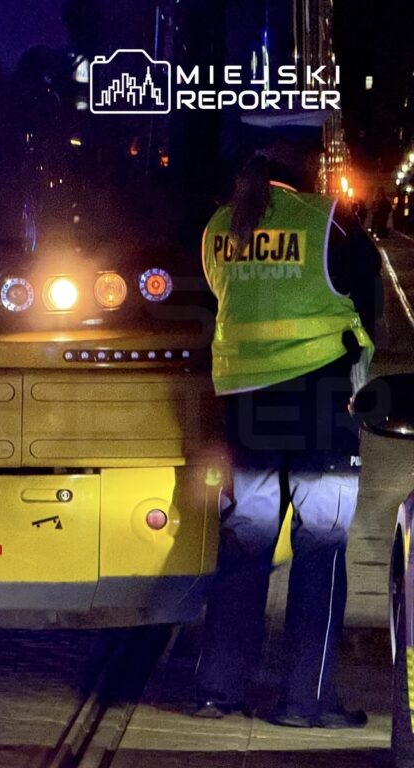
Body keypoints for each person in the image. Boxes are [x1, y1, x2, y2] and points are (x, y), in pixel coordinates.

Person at [194, 116, 382, 728]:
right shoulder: (327, 222)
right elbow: (367, 304)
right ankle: (305, 701)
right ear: (307, 160)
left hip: (246, 411)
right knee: (321, 549)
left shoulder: (219, 226)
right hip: (319, 407)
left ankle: (218, 690)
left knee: (244, 544)